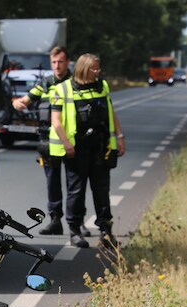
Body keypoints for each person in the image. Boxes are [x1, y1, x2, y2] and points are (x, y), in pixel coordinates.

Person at [49, 53, 125, 248]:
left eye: (98, 68)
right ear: (84, 69)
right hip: (76, 149)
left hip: (100, 147)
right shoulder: (62, 89)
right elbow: (56, 120)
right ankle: (75, 231)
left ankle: (106, 232)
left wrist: (119, 136)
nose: (98, 72)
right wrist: (66, 143)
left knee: (102, 191)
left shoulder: (102, 86)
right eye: (94, 68)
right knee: (76, 191)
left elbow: (111, 112)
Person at [11, 46, 85, 236]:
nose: (57, 66)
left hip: (72, 142)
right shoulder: (46, 83)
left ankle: (78, 222)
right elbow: (26, 100)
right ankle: (55, 220)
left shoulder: (76, 83)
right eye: (54, 62)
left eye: (60, 62)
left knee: (75, 185)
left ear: (68, 62)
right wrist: (17, 103)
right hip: (49, 143)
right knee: (52, 183)